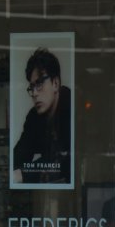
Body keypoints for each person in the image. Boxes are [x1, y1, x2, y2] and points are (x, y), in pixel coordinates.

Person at [12, 48, 72, 185]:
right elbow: (21, 153)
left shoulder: (71, 108)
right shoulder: (34, 117)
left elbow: (62, 160)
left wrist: (23, 174)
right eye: (31, 87)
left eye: (39, 84)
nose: (34, 93)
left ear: (55, 83)